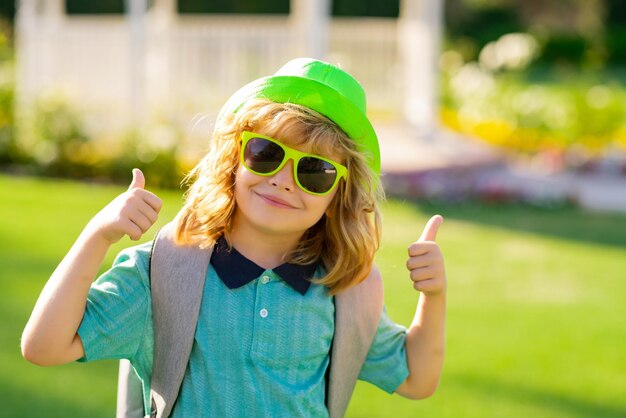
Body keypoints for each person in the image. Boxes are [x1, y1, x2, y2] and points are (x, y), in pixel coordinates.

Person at [21, 58, 447, 417]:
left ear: (338, 196)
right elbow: (45, 346)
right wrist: (97, 235)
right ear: (233, 163)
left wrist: (434, 296)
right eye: (266, 153)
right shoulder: (162, 273)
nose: (283, 181)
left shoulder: (342, 289)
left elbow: (415, 378)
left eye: (314, 171)